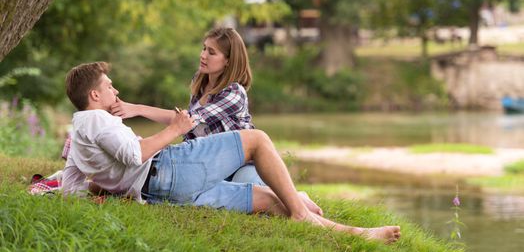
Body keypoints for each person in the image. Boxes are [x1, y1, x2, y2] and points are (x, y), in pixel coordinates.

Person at [62, 61, 401, 244]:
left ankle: (358, 234)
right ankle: (300, 209)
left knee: (268, 200)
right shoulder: (99, 121)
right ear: (94, 95)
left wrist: (96, 188)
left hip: (160, 191)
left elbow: (73, 183)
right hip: (168, 171)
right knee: (256, 138)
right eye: (108, 86)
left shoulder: (79, 128)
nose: (115, 89)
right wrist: (174, 131)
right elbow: (135, 154)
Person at [111, 27, 263, 185]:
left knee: (247, 188)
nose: (203, 55)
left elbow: (187, 121)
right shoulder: (200, 81)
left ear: (228, 61)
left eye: (211, 52)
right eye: (204, 48)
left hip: (241, 165)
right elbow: (185, 123)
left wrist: (137, 109)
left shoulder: (234, 92)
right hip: (214, 165)